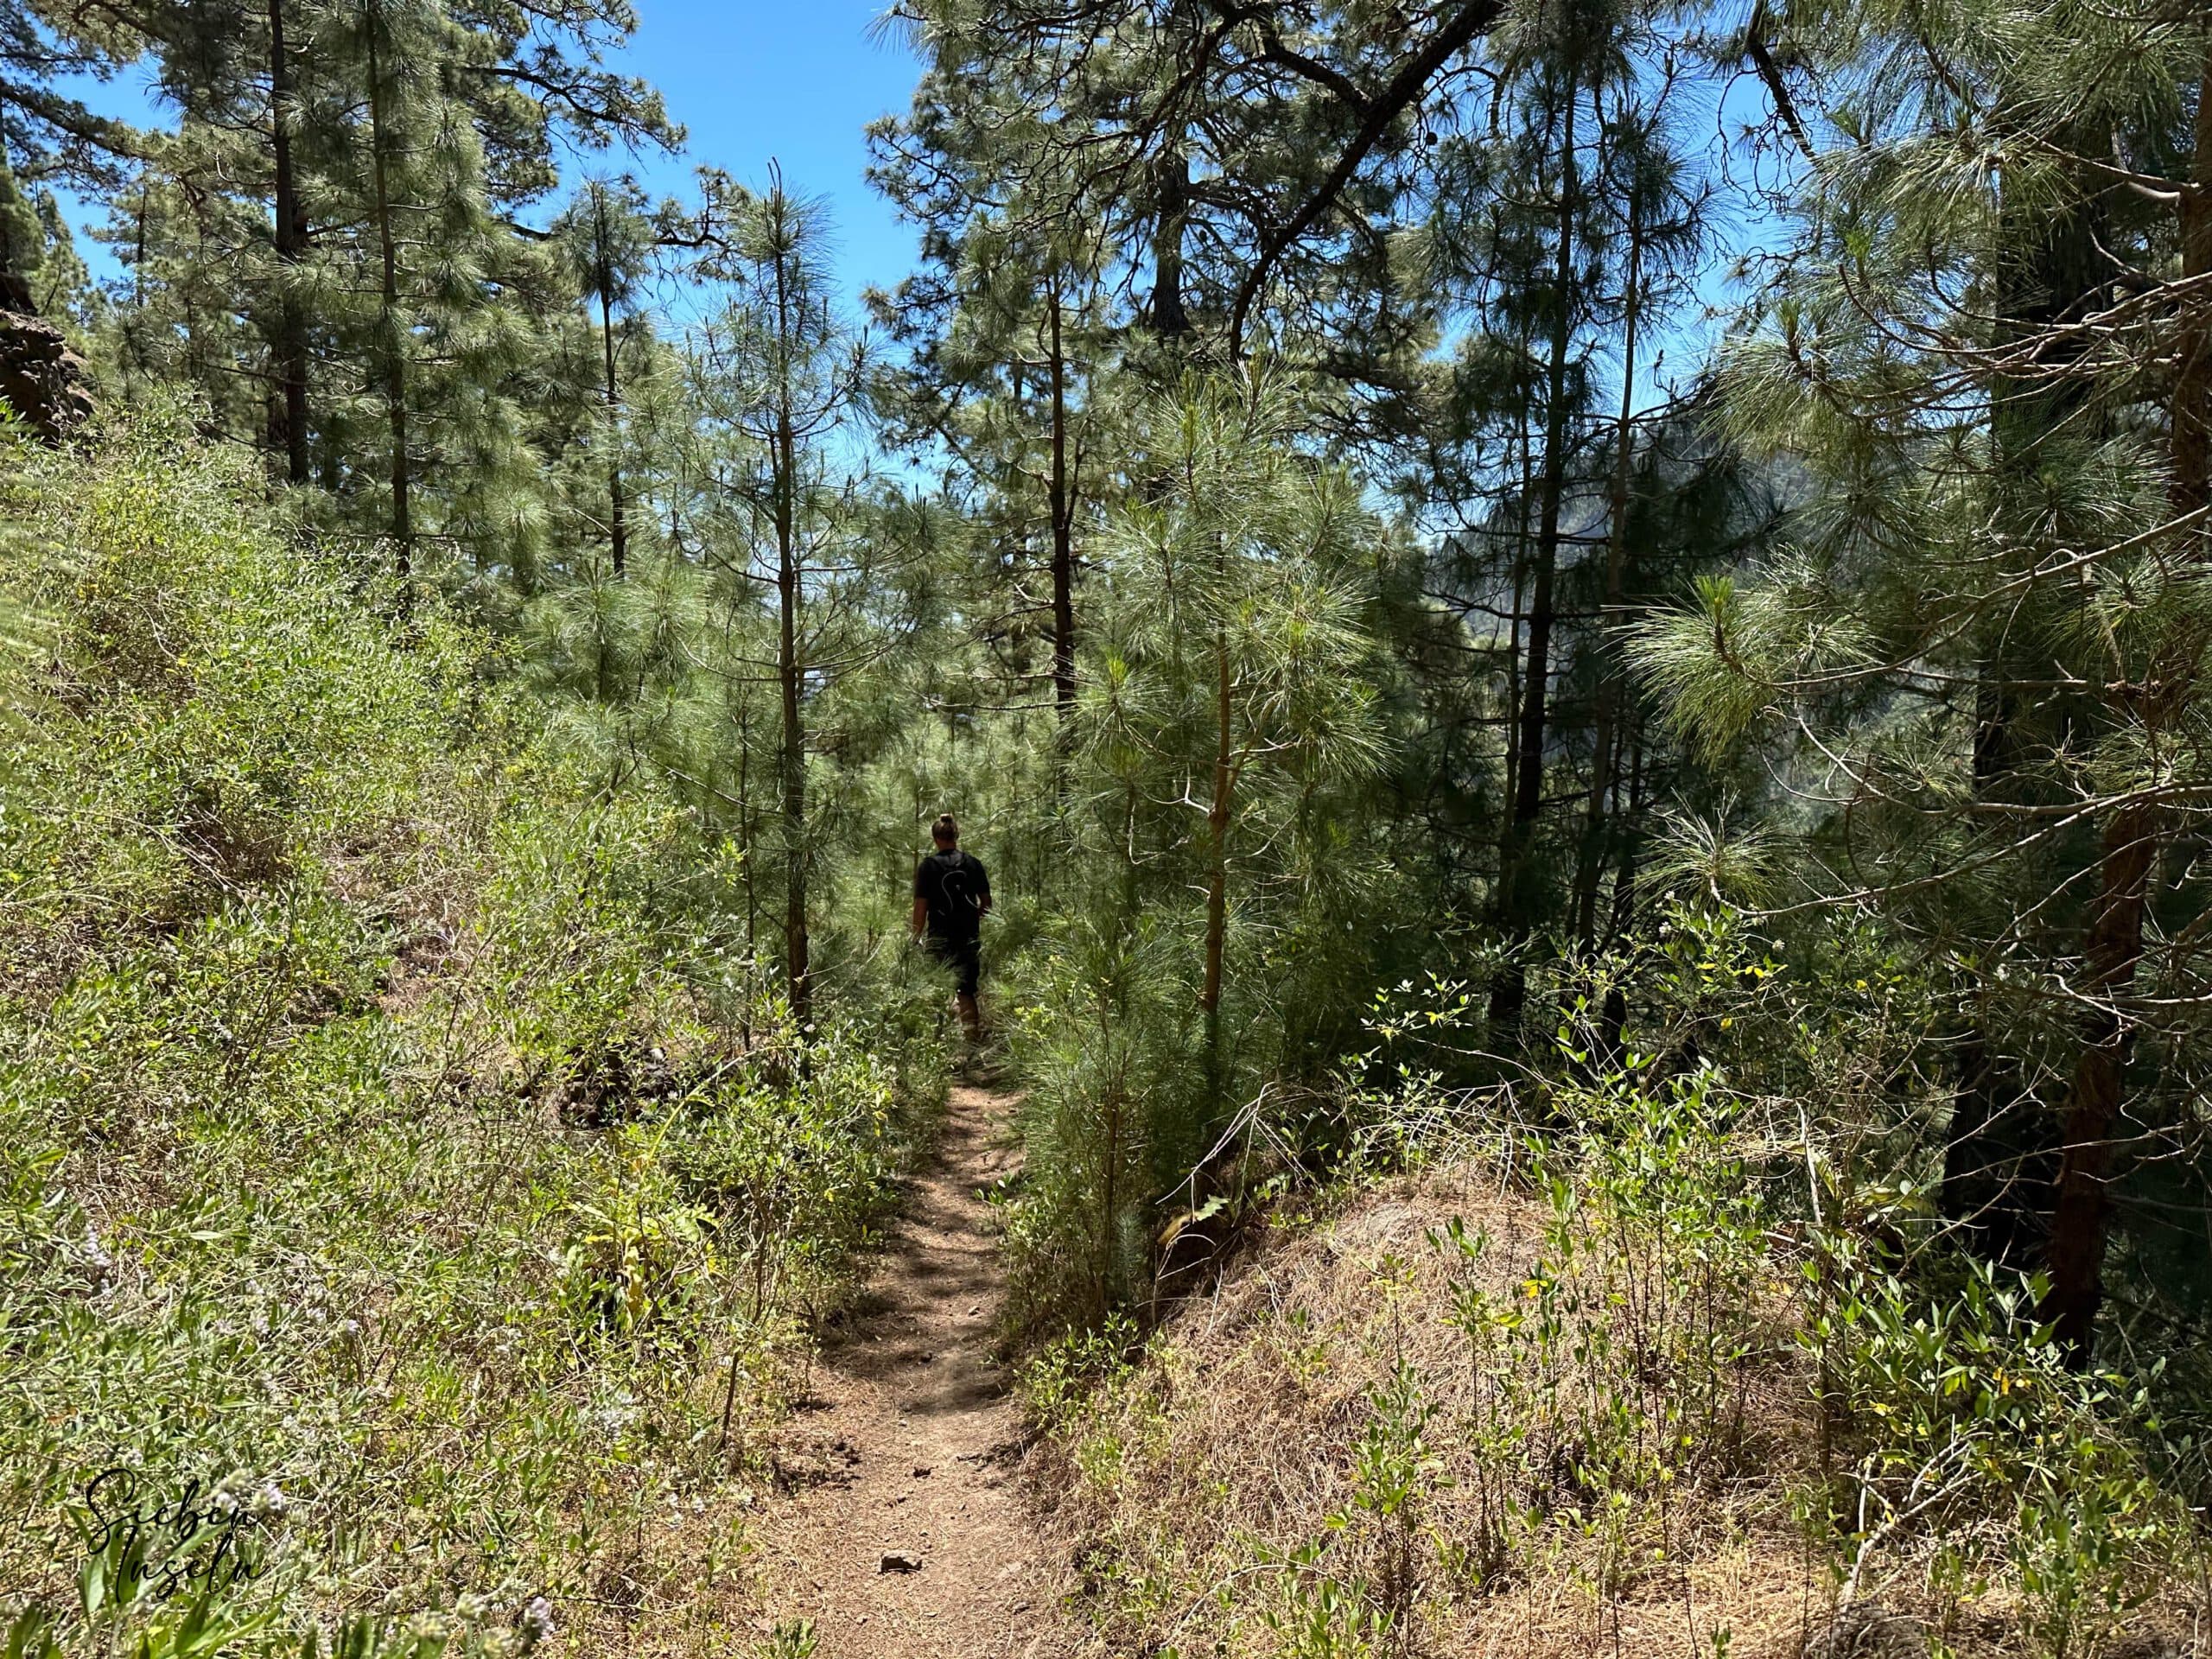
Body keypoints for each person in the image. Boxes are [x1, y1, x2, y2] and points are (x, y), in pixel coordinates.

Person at [911, 812, 991, 1044]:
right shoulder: (973, 864)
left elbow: (920, 907)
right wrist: (971, 919)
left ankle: (937, 1044)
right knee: (966, 992)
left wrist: (915, 936)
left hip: (939, 938)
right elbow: (987, 905)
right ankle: (972, 1044)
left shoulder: (928, 867)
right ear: (956, 835)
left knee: (937, 989)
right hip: (968, 937)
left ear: (935, 838)